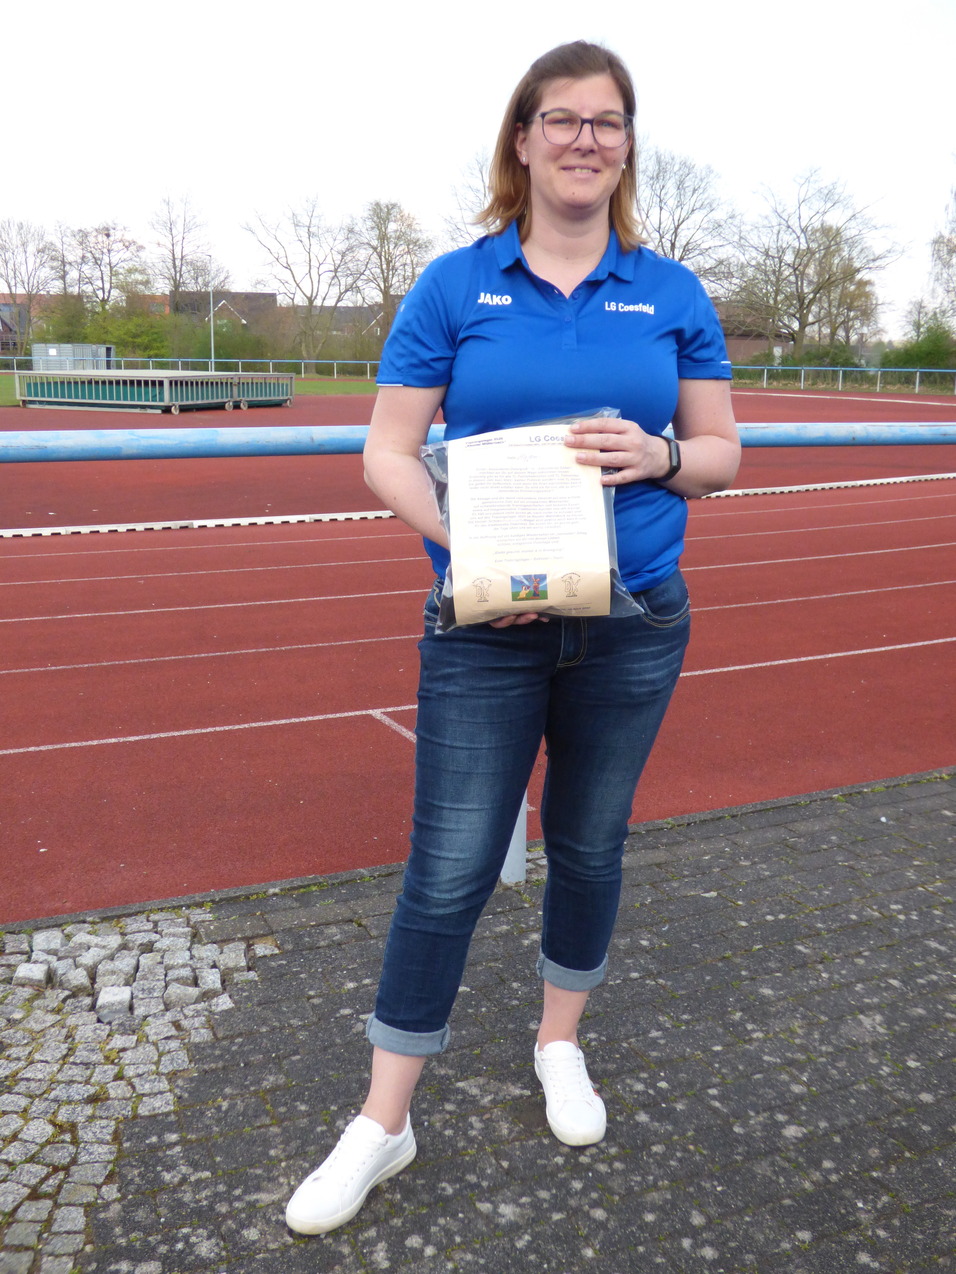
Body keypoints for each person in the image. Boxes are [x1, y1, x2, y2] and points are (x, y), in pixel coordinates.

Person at [285, 39, 740, 1236]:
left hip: (634, 617)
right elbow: (385, 451)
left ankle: (556, 1043)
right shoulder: (452, 284)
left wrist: (664, 458)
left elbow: (723, 454)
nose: (584, 139)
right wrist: (472, 554)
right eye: (562, 119)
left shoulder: (670, 290)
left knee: (588, 844)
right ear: (522, 138)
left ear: (627, 145)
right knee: (446, 869)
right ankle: (385, 1119)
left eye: (607, 121)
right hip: (482, 626)